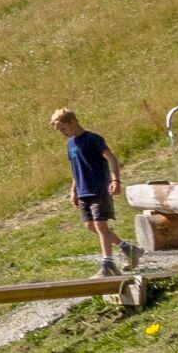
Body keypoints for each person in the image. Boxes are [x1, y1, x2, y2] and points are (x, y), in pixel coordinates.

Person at [53, 108, 139, 278]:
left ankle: (108, 264)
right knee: (91, 226)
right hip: (83, 191)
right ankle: (128, 248)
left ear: (73, 122)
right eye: (59, 130)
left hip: (99, 189)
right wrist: (73, 191)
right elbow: (76, 168)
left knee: (101, 226)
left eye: (63, 128)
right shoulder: (70, 144)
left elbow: (111, 158)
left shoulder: (93, 139)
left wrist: (116, 180)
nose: (62, 133)